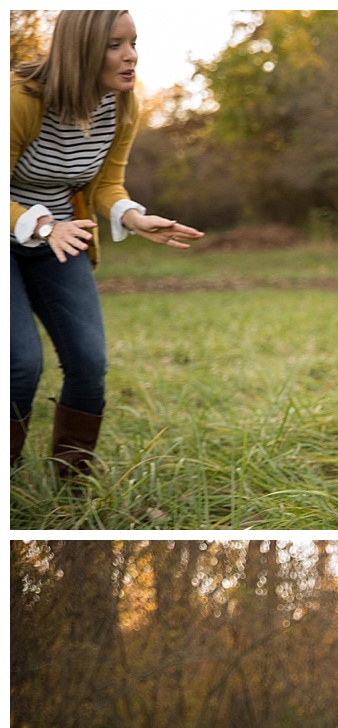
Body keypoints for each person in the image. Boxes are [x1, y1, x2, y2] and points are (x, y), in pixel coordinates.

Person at [10, 10, 204, 477]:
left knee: (89, 361)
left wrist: (135, 218)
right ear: (80, 48)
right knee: (20, 362)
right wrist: (42, 227)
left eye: (134, 43)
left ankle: (73, 486)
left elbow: (104, 184)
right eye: (115, 45)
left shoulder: (121, 104)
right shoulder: (19, 99)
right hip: (25, 229)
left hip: (62, 236)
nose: (131, 56)